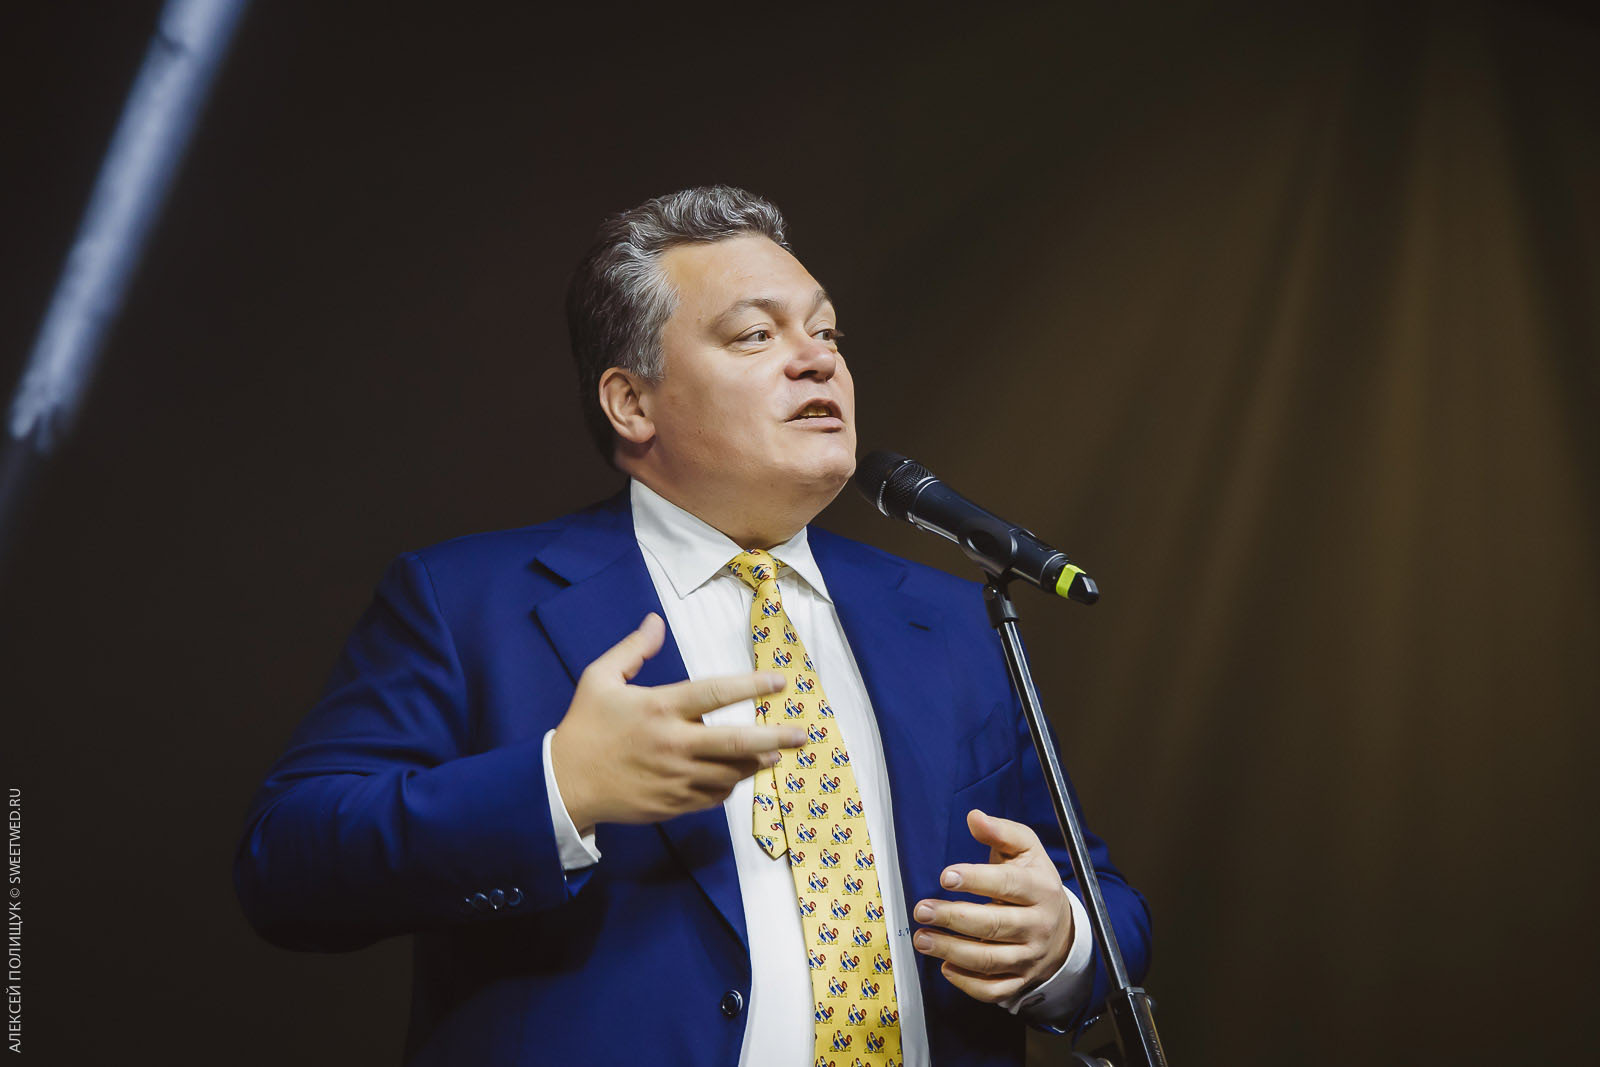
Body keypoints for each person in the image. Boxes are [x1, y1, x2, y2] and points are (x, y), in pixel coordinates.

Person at [234, 186, 1151, 1067]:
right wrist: (559, 787)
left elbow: (1105, 899)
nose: (817, 360)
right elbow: (286, 865)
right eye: (756, 334)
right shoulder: (467, 599)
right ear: (631, 402)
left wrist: (1063, 941)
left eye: (826, 332)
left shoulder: (950, 619)